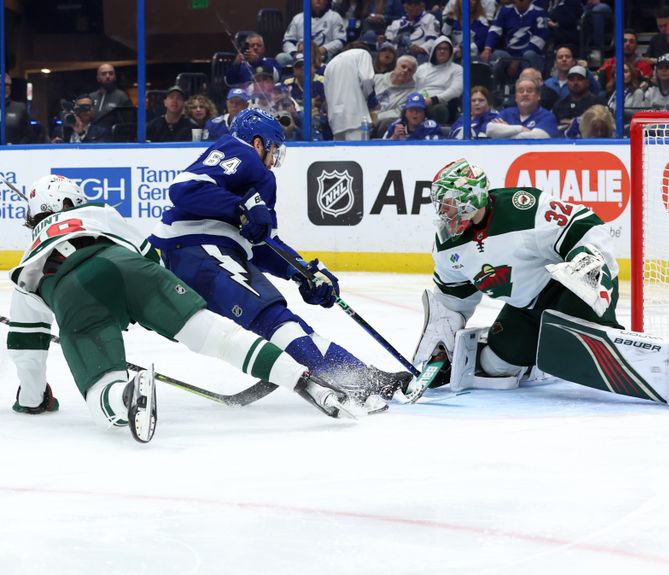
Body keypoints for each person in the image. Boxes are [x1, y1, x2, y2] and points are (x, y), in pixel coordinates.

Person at [6, 176, 366, 444]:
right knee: (217, 335)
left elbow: (27, 350)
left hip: (71, 293)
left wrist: (33, 400)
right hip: (132, 269)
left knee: (102, 395)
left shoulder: (26, 265)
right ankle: (306, 382)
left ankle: (125, 396)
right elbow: (146, 253)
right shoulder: (98, 212)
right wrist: (147, 307)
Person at [412, 158, 669, 408]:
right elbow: (453, 301)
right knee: (494, 367)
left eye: (448, 203)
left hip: (570, 289)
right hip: (525, 308)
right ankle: (537, 360)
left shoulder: (523, 207)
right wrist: (442, 348)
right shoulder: (448, 247)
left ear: (471, 197)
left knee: (579, 344)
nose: (443, 212)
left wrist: (585, 258)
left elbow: (584, 223)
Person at [149, 108, 410, 401]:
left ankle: (350, 371)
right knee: (273, 317)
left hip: (198, 255)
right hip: (202, 249)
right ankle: (347, 378)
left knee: (280, 320)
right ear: (259, 143)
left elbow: (263, 244)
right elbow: (185, 188)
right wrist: (239, 208)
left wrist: (304, 272)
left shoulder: (253, 183)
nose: (273, 159)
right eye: (273, 149)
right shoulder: (241, 152)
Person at [324, 43, 379, 140]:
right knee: (358, 153)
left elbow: (327, 93)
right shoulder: (363, 53)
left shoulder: (330, 64)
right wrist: (371, 99)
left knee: (340, 153)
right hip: (356, 117)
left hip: (336, 119)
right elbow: (367, 79)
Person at [480, 0, 549, 73]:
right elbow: (495, 30)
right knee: (497, 54)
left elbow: (540, 39)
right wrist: (487, 48)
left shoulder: (539, 13)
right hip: (509, 53)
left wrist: (518, 59)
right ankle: (496, 83)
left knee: (529, 55)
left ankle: (530, 81)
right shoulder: (505, 10)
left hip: (531, 54)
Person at [280, 0, 347, 66]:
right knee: (281, 58)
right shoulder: (298, 18)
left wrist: (323, 49)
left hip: (324, 56)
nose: (318, 0)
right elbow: (287, 41)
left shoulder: (334, 17)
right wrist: (295, 53)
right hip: (299, 57)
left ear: (326, 1)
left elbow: (341, 40)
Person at [414, 36, 463, 124]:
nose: (442, 51)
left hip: (443, 103)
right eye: (439, 48)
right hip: (420, 101)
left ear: (450, 52)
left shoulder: (457, 69)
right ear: (434, 51)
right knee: (407, 109)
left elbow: (456, 90)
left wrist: (433, 100)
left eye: (445, 49)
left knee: (439, 109)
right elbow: (415, 88)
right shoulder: (422, 68)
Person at [487, 78, 558, 139]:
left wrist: (506, 130)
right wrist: (521, 129)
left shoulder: (547, 116)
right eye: (521, 91)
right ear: (516, 97)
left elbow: (536, 137)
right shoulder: (506, 113)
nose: (525, 94)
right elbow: (490, 130)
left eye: (529, 91)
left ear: (538, 96)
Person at [551, 65, 606, 135]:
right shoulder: (559, 106)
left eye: (579, 79)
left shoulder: (599, 103)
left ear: (587, 82)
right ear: (567, 82)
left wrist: (574, 122)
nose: (575, 82)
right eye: (572, 79)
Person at [374, 54, 418, 134]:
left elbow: (398, 112)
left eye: (410, 70)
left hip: (379, 123)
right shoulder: (376, 79)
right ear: (396, 66)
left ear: (412, 75)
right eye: (403, 66)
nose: (405, 71)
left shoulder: (412, 93)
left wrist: (374, 118)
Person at [89, 63, 133, 129]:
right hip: (93, 137)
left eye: (111, 73)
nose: (108, 76)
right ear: (98, 78)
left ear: (115, 77)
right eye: (104, 74)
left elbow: (129, 123)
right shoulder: (91, 97)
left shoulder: (122, 97)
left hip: (114, 137)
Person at [4, 73, 33, 144]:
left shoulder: (20, 108)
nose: (5, 87)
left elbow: (28, 135)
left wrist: (15, 148)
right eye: (1, 84)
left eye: (8, 85)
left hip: (14, 153)